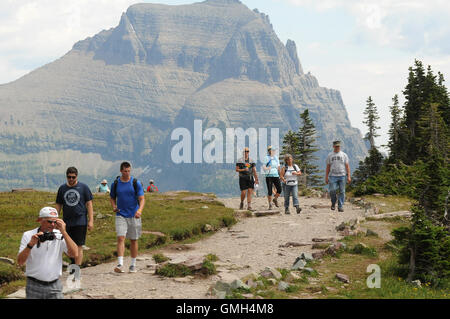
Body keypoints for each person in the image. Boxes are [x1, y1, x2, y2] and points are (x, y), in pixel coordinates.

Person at [17, 207, 78, 299]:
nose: (53, 225)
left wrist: (64, 232)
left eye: (55, 222)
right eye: (49, 222)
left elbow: (74, 254)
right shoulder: (28, 235)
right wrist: (30, 245)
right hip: (34, 285)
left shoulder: (59, 236)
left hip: (55, 285)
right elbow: (20, 262)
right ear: (40, 220)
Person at [109, 161, 145, 273]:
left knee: (133, 240)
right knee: (120, 238)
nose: (127, 173)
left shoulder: (135, 182)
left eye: (129, 171)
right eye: (125, 171)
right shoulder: (115, 183)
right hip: (120, 214)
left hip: (134, 215)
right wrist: (114, 206)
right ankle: (120, 264)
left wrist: (139, 210)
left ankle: (133, 265)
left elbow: (142, 199)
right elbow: (112, 197)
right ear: (121, 171)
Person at [55, 167, 94, 268]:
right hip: (67, 221)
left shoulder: (84, 187)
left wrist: (91, 221)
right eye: (69, 177)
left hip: (81, 221)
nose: (71, 179)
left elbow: (89, 204)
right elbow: (59, 204)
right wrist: (55, 218)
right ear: (66, 176)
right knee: (68, 246)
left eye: (73, 177)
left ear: (77, 176)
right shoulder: (62, 188)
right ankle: (73, 263)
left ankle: (76, 270)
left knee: (79, 246)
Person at [325, 141, 351, 212]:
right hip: (332, 176)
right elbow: (328, 166)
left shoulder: (344, 155)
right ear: (333, 146)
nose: (337, 147)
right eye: (336, 146)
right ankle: (333, 202)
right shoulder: (330, 155)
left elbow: (347, 166)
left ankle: (340, 206)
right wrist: (326, 177)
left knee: (342, 191)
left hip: (342, 175)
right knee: (332, 190)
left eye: (338, 146)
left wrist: (348, 176)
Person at [263, 146, 282, 210]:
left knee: (279, 189)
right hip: (269, 176)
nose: (274, 151)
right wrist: (268, 168)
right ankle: (270, 204)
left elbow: (279, 167)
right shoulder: (266, 158)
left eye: (274, 150)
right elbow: (263, 167)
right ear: (269, 151)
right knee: (270, 190)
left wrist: (281, 175)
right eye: (273, 150)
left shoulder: (276, 158)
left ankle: (275, 199)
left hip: (276, 175)